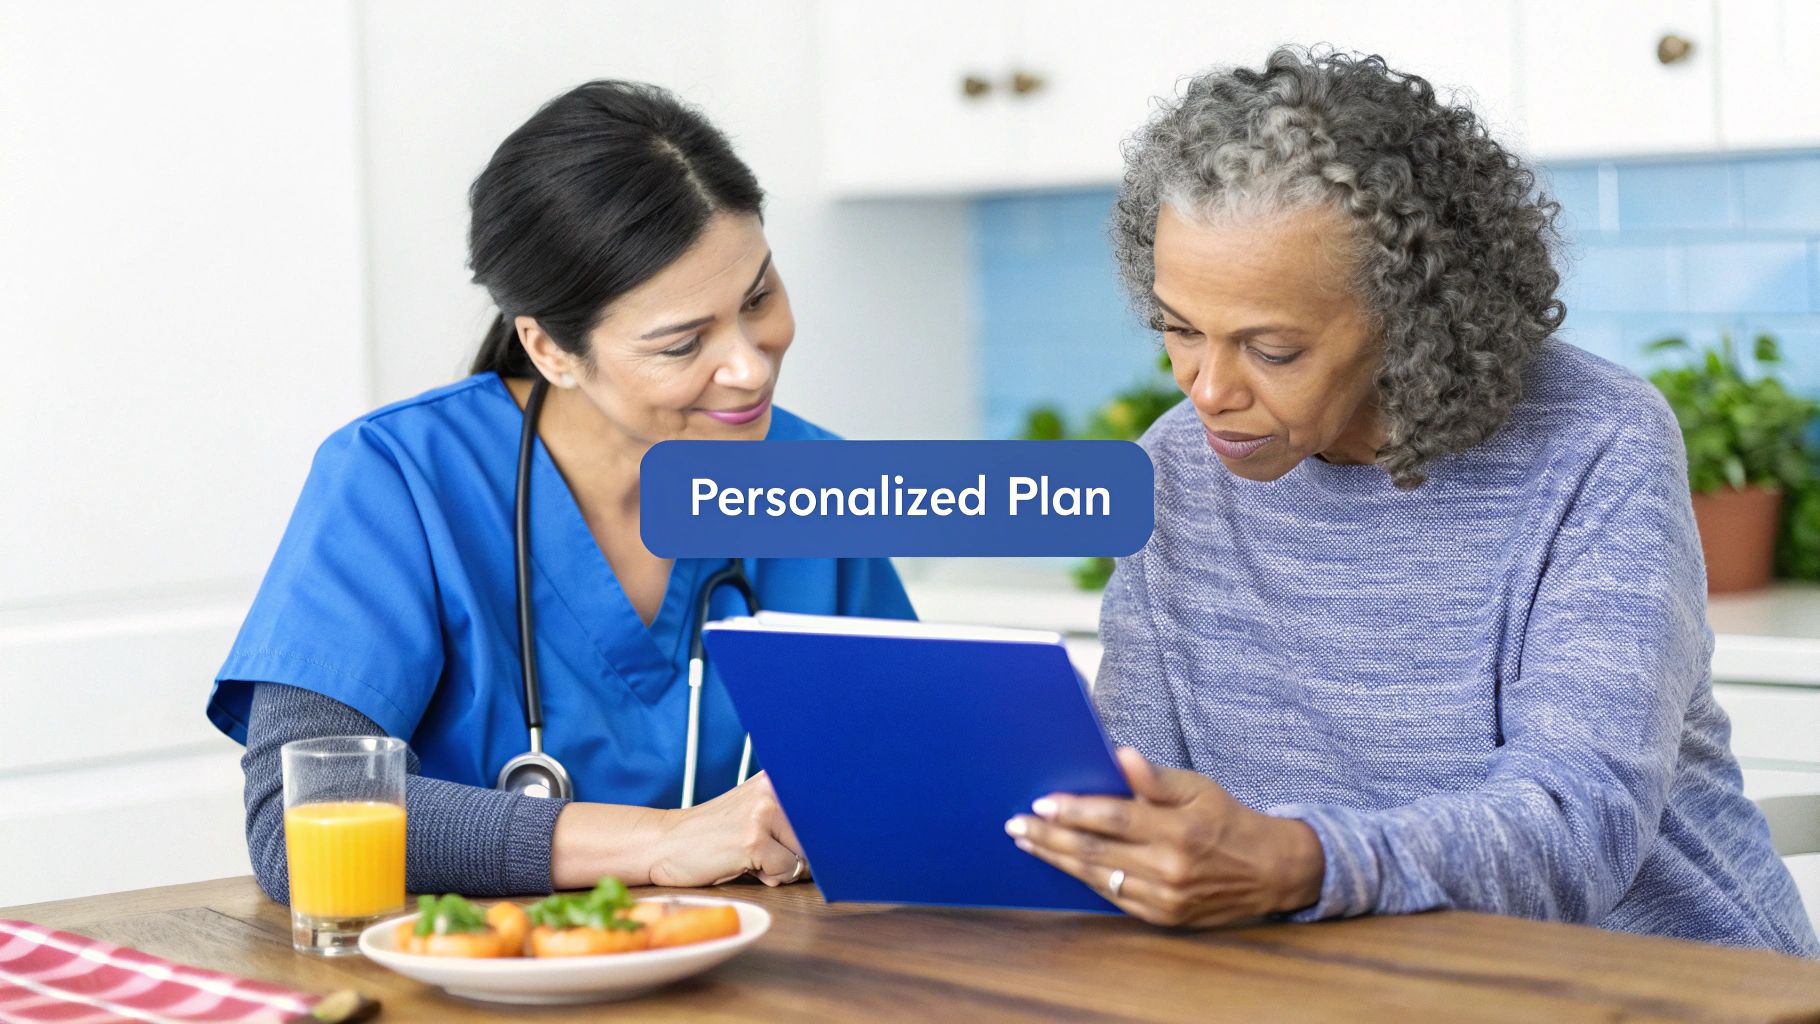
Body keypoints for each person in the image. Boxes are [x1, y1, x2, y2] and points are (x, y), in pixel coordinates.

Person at [1006, 48, 1817, 956]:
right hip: (1346, 983)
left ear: (1412, 318)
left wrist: (1301, 862)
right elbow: (1144, 794)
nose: (1207, 389)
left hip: (1664, 981)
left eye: (1271, 350)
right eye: (1179, 329)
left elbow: (1579, 822)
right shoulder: (1170, 473)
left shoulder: (1596, 444)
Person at [207, 81, 914, 902]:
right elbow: (303, 821)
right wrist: (663, 843)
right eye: (684, 342)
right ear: (550, 349)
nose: (751, 365)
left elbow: (910, 769)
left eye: (758, 297)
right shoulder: (401, 476)